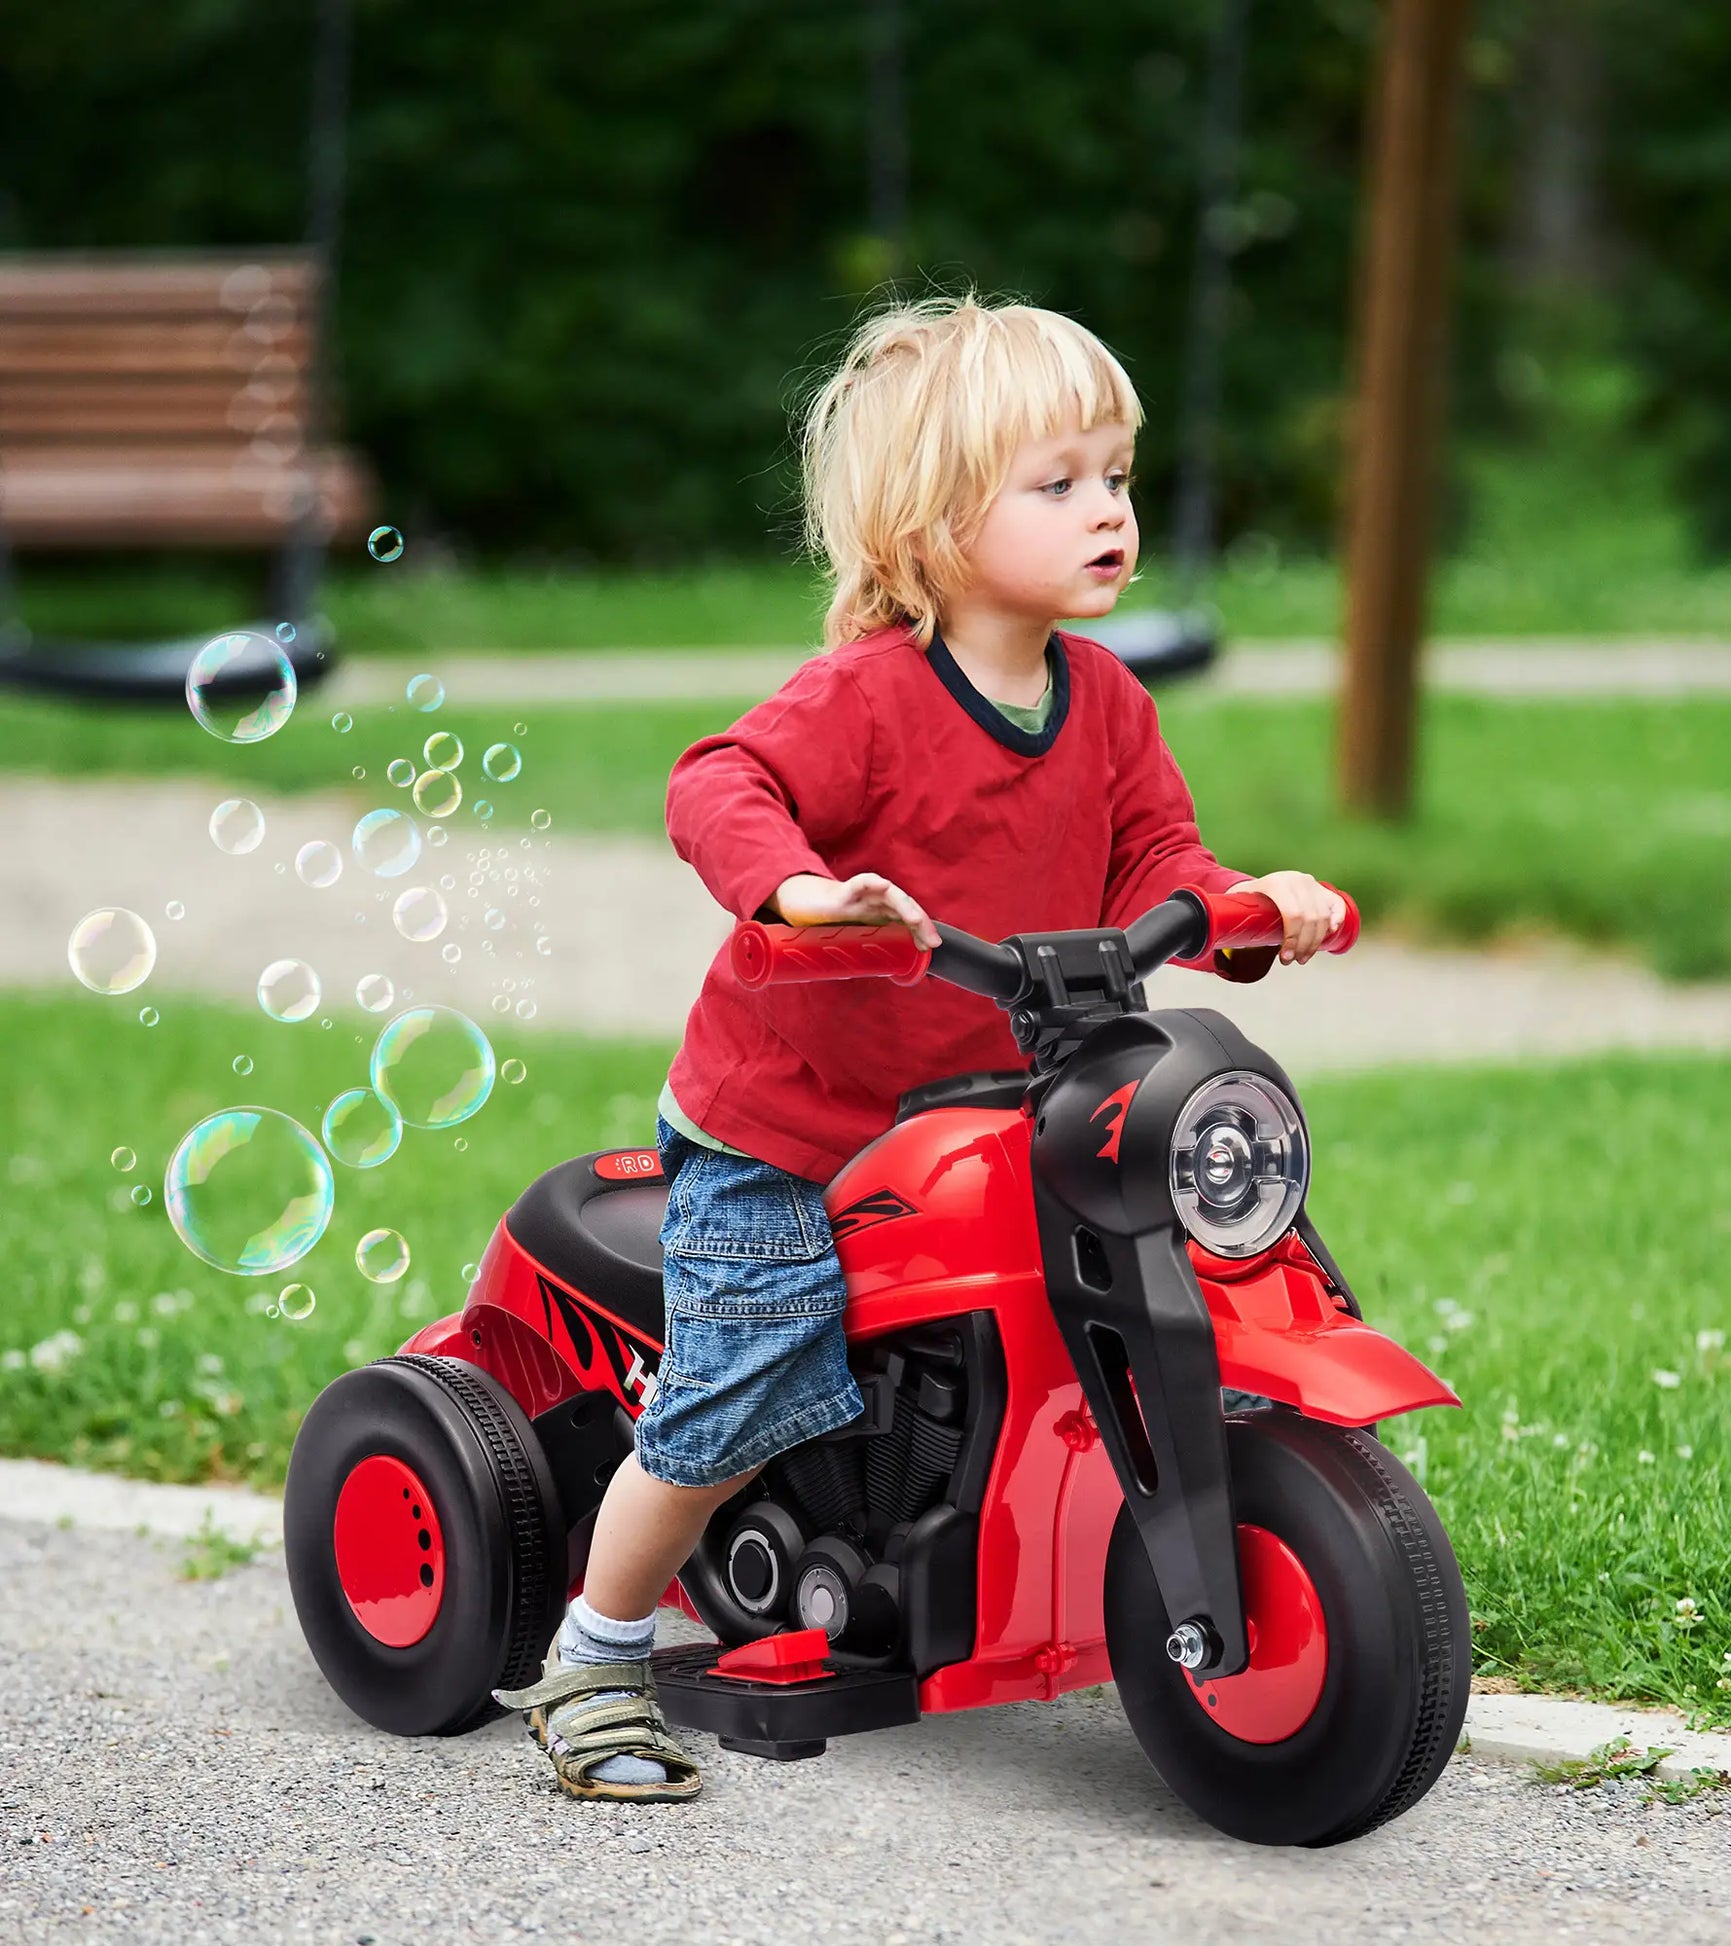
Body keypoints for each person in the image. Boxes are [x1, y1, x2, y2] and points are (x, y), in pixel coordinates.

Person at [496, 294, 1346, 1800]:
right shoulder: (870, 701)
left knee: (1226, 1244)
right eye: (1058, 483)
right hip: (795, 1130)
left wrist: (1250, 908)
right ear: (939, 527)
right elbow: (721, 778)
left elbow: (1167, 866)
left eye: (1116, 476)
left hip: (998, 1109)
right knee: (736, 1386)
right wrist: (799, 889)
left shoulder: (1106, 706)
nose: (1108, 512)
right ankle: (599, 1649)